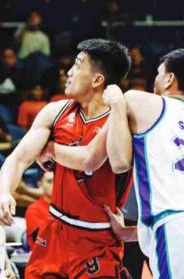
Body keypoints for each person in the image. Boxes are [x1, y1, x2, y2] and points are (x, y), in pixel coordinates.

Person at [38, 48, 184, 278]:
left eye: (158, 73)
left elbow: (116, 162)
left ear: (169, 78)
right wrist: (130, 233)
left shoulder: (140, 100)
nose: (154, 79)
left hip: (172, 224)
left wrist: (48, 149)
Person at [0, 39, 132, 278]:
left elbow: (91, 159)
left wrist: (49, 149)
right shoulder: (55, 112)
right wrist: (4, 192)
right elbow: (17, 159)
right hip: (55, 230)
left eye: (78, 65)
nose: (68, 72)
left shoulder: (120, 119)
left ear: (97, 80)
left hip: (98, 238)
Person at [24, 170, 53, 250]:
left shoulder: (69, 207)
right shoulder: (33, 209)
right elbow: (42, 240)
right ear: (40, 184)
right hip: (43, 257)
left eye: (57, 181)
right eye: (50, 181)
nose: (54, 185)